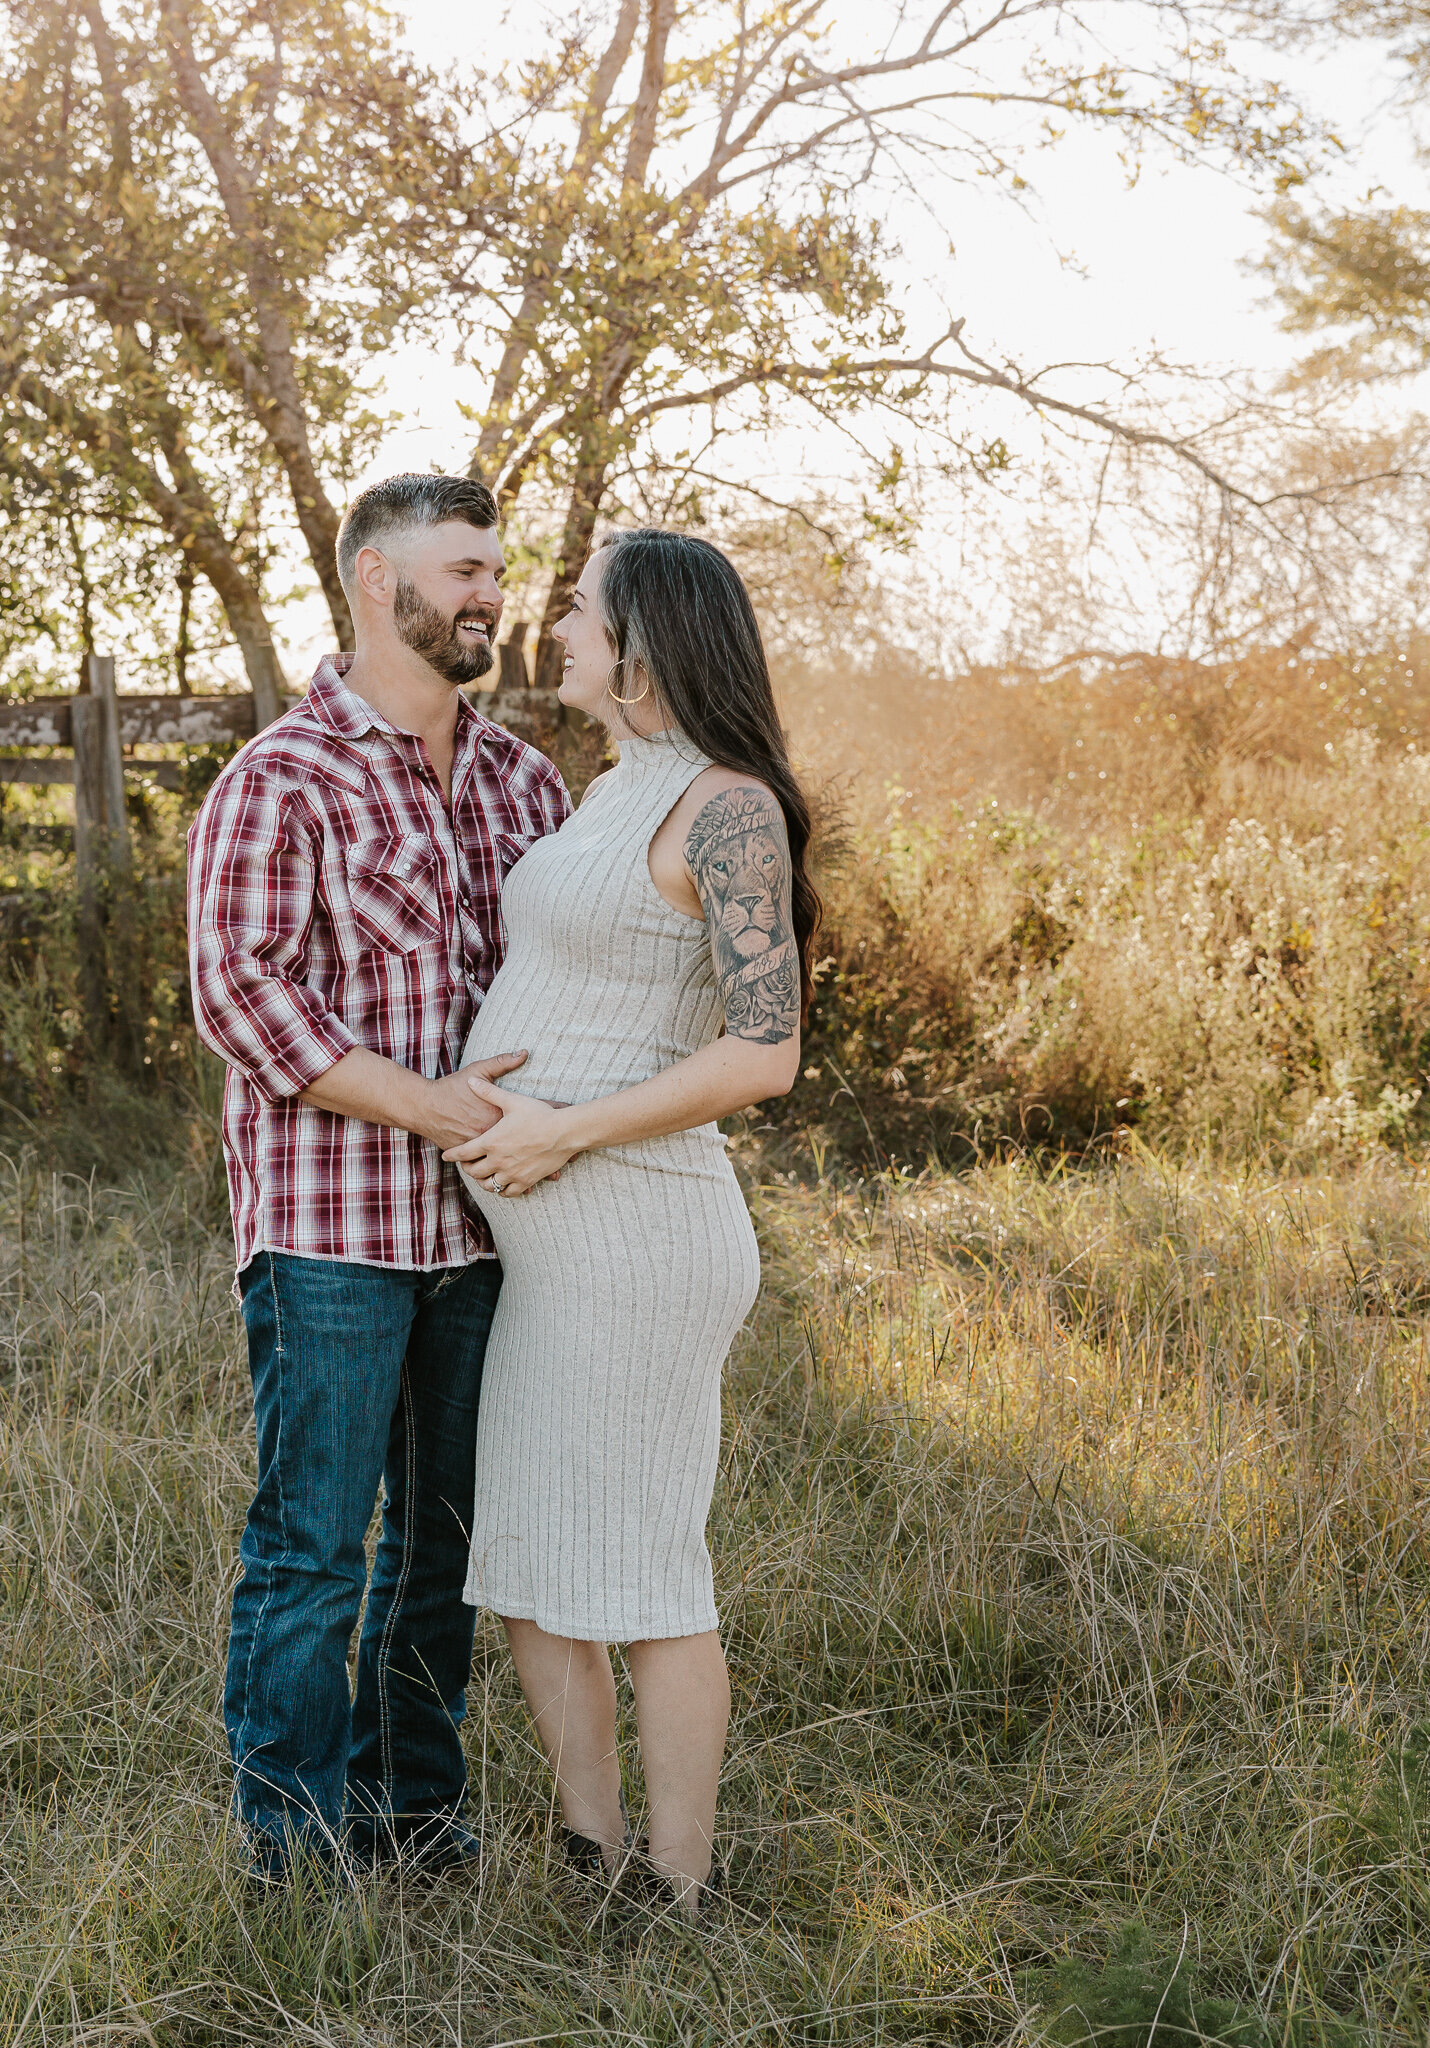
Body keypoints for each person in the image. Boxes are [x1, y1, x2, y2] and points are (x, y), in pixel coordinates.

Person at [187, 473, 569, 1886]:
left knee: (443, 1548)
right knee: (313, 1549)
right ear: (373, 578)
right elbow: (241, 995)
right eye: (464, 569)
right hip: (330, 1232)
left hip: (491, 1227)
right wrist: (431, 1106)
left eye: (495, 571)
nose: (490, 595)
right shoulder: (279, 777)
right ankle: (290, 1855)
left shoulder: (525, 782)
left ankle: (412, 1820)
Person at [446, 527, 820, 1918]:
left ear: (644, 645)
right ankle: (591, 1855)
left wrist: (561, 1129)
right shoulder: (607, 789)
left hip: (643, 1246)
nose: (556, 626)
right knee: (533, 1561)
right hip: (553, 1254)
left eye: (582, 610)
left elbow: (764, 1053)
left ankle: (679, 1886)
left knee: (648, 1573)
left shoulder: (729, 808)